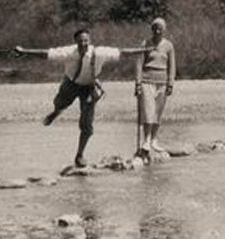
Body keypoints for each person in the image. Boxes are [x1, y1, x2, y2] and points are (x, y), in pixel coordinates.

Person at [14, 28, 146, 168]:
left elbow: (123, 52)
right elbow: (46, 54)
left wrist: (145, 50)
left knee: (86, 124)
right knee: (59, 103)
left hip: (89, 87)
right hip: (70, 83)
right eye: (81, 41)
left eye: (86, 41)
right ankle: (57, 111)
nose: (84, 44)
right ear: (76, 42)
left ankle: (79, 155)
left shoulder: (99, 52)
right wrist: (24, 52)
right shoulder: (69, 52)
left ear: (89, 41)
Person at [135, 17, 176, 156]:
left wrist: (170, 83)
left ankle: (154, 139)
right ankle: (146, 140)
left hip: (163, 82)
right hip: (147, 80)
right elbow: (139, 64)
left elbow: (172, 66)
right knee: (148, 110)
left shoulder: (169, 46)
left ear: (164, 30)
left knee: (158, 112)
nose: (157, 31)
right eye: (155, 28)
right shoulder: (145, 43)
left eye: (160, 28)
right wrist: (138, 83)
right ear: (151, 29)